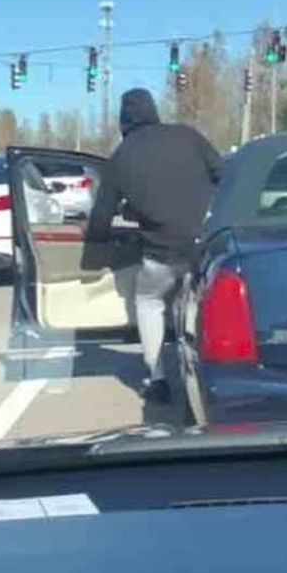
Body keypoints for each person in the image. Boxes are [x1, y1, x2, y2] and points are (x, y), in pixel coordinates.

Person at [85, 87, 222, 404]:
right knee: (203, 308)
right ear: (153, 111)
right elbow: (221, 173)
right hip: (201, 248)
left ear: (124, 120)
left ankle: (157, 377)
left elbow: (102, 212)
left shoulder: (123, 155)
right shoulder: (188, 136)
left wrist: (93, 259)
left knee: (148, 302)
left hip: (160, 256)